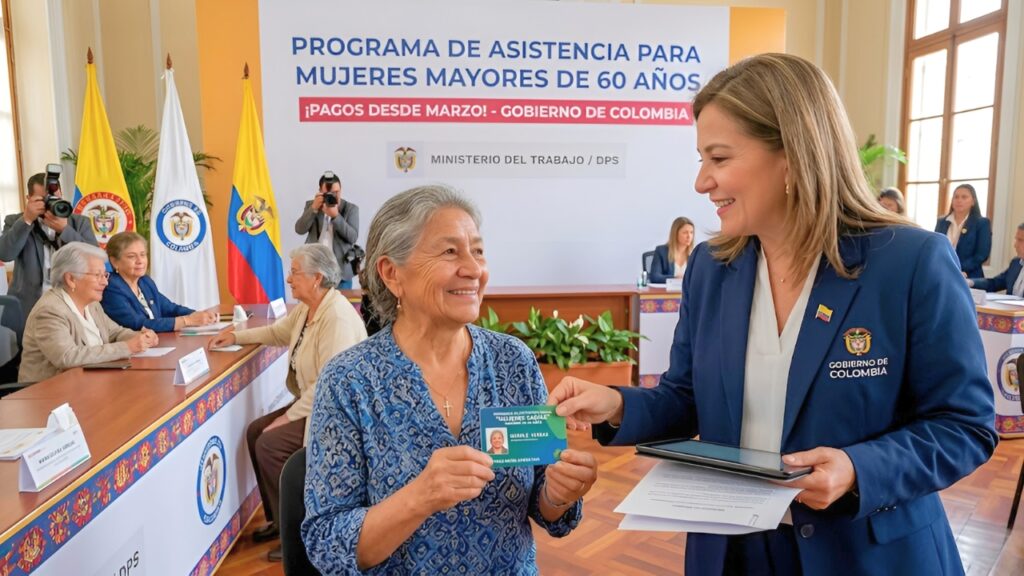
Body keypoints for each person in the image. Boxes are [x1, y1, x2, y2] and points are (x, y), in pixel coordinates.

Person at [549, 54, 997, 575]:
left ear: (792, 155)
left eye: (718, 158)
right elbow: (688, 397)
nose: (701, 182)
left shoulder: (910, 262)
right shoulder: (711, 268)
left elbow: (964, 424)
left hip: (865, 554)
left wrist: (858, 468)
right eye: (701, 159)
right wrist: (616, 405)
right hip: (734, 552)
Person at [302, 185, 598, 574]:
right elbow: (327, 544)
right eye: (449, 252)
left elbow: (544, 504)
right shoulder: (348, 381)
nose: (474, 269)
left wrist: (559, 495)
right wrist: (420, 497)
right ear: (392, 274)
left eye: (477, 250)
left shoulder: (514, 362)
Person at [209, 244, 367, 562]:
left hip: (337, 412)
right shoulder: (309, 308)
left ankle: (296, 532)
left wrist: (287, 418)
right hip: (317, 402)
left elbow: (328, 386)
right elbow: (279, 332)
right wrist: (237, 337)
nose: (289, 278)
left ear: (317, 277)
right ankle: (278, 520)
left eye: (295, 272)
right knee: (257, 431)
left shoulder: (335, 317)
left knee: (269, 442)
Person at [20, 242, 157, 382]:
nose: (105, 282)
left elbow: (115, 332)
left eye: (105, 275)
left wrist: (141, 337)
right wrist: (126, 347)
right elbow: (67, 357)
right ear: (71, 279)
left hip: (89, 383)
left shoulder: (91, 304)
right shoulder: (49, 311)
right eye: (98, 275)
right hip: (50, 394)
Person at [0, 173, 98, 321]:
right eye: (43, 200)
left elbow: (95, 259)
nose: (50, 204)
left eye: (55, 199)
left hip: (72, 302)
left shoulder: (79, 223)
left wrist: (65, 231)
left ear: (61, 194)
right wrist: (26, 220)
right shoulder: (15, 221)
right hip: (28, 306)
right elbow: (5, 254)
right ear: (29, 199)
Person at [100, 232, 218, 331]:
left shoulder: (145, 282)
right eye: (132, 256)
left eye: (143, 255)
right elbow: (135, 324)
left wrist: (199, 315)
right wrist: (186, 321)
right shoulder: (111, 287)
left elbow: (169, 308)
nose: (140, 261)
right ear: (114, 261)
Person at [293, 171, 359, 289]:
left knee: (340, 306)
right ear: (320, 192)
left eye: (336, 192)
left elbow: (353, 237)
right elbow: (299, 229)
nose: (334, 196)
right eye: (329, 193)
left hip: (341, 271)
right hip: (314, 268)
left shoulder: (350, 209)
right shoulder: (312, 205)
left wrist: (336, 216)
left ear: (341, 189)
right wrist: (313, 209)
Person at [935, 183, 991, 278]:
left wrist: (956, 268)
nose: (959, 200)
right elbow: (936, 249)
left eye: (964, 197)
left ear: (973, 201)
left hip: (969, 276)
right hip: (942, 273)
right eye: (956, 197)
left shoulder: (982, 223)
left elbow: (981, 255)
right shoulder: (942, 222)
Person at [967, 222, 1024, 295]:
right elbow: (994, 283)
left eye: (1020, 240)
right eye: (1016, 240)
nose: (1015, 245)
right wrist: (970, 282)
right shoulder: (1016, 263)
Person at [649, 217, 696, 283]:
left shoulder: (694, 254)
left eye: (691, 232)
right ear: (675, 233)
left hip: (688, 292)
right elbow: (655, 277)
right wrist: (675, 278)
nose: (689, 236)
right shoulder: (661, 251)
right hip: (667, 292)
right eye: (685, 232)